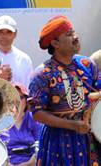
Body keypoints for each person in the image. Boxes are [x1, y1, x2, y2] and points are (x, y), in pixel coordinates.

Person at [28, 15, 101, 165]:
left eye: (74, 32)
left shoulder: (87, 64)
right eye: (69, 34)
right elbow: (37, 113)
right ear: (55, 43)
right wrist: (72, 125)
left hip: (87, 139)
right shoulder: (42, 74)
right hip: (57, 142)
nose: (75, 37)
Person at [0, 84, 40, 166]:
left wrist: (29, 163)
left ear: (26, 100)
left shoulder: (33, 118)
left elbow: (40, 143)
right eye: (12, 97)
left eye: (20, 97)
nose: (17, 101)